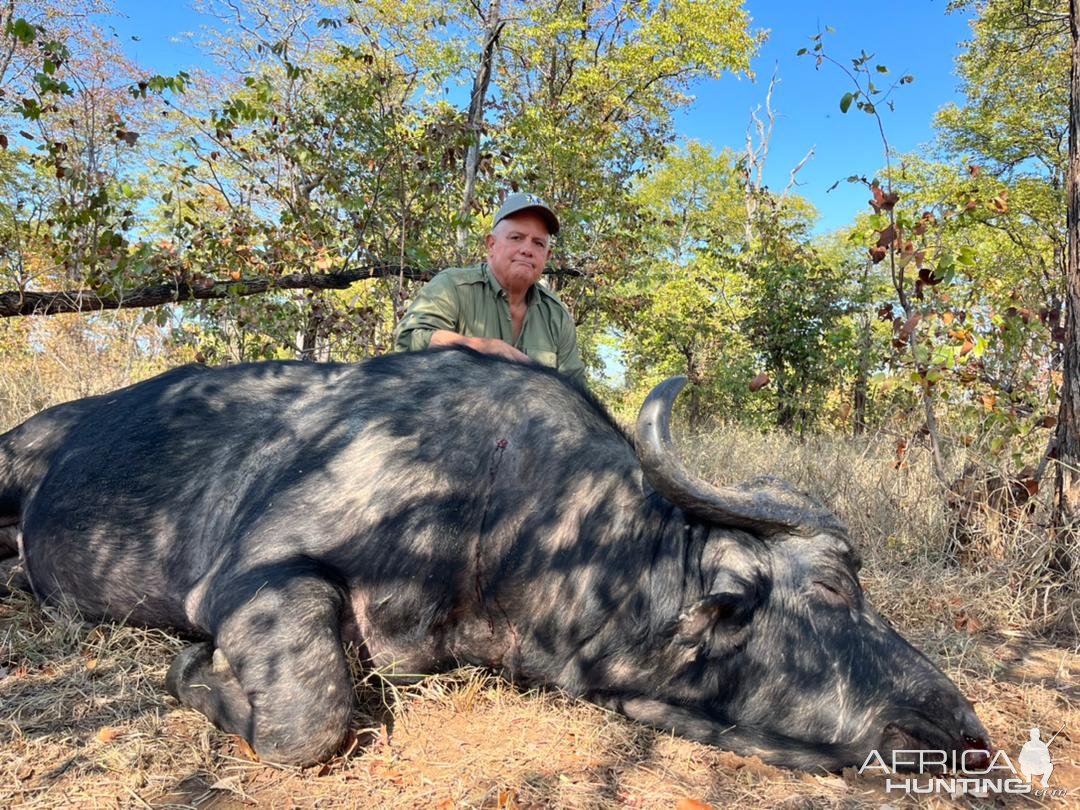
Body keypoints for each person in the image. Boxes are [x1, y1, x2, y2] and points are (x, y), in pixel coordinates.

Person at [394, 192, 586, 385]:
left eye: (538, 243)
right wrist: (484, 348)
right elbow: (408, 341)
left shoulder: (557, 317)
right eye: (516, 237)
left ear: (547, 255)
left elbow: (576, 392)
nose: (527, 250)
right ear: (491, 244)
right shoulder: (452, 287)